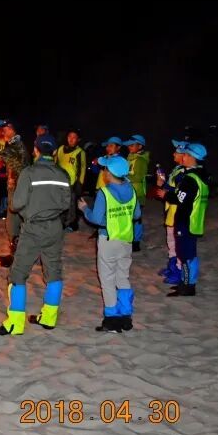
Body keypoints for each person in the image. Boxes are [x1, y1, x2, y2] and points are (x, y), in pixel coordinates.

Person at [0, 134, 70, 336]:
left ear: (35, 150)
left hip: (33, 228)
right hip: (54, 227)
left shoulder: (29, 173)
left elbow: (16, 204)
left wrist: (30, 210)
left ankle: (15, 323)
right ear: (54, 152)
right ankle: (49, 318)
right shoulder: (62, 174)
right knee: (54, 272)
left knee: (17, 274)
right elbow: (65, 204)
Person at [79, 155, 141, 332]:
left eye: (105, 169)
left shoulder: (104, 193)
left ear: (109, 173)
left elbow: (96, 219)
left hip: (108, 239)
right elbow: (136, 215)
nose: (103, 171)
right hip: (126, 239)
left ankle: (112, 319)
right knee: (122, 277)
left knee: (107, 280)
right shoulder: (131, 190)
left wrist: (84, 209)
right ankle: (126, 316)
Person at [163, 143, 209, 298]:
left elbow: (180, 198)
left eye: (186, 154)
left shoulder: (191, 179)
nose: (183, 157)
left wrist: (166, 195)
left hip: (187, 221)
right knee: (187, 253)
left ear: (192, 157)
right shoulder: (201, 176)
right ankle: (185, 282)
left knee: (185, 254)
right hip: (194, 220)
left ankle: (188, 286)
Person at [0, 119, 31, 267]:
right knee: (15, 220)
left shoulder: (16, 145)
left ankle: (16, 257)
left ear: (12, 130)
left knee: (13, 221)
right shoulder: (15, 145)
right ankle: (17, 254)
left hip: (18, 187)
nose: (2, 131)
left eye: (5, 128)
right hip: (18, 186)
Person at [157, 140, 188, 285]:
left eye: (176, 152)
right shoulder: (177, 169)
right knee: (171, 240)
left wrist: (165, 189)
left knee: (178, 242)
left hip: (178, 212)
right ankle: (172, 267)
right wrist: (163, 183)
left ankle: (179, 271)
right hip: (171, 211)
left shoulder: (185, 173)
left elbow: (179, 192)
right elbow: (171, 187)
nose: (173, 154)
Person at [54, 130, 87, 231]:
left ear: (78, 139)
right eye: (69, 136)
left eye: (74, 137)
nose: (71, 139)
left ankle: (73, 224)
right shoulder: (60, 149)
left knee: (72, 204)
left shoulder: (80, 152)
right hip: (60, 182)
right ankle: (62, 222)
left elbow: (82, 169)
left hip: (72, 183)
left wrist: (79, 184)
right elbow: (55, 164)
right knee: (61, 203)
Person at [123, 134, 149, 252]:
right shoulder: (130, 157)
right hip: (128, 191)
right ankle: (129, 237)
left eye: (132, 145)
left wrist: (124, 177)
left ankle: (136, 241)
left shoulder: (141, 160)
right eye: (129, 145)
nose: (129, 147)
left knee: (136, 218)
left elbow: (139, 177)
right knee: (128, 217)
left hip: (137, 193)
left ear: (140, 146)